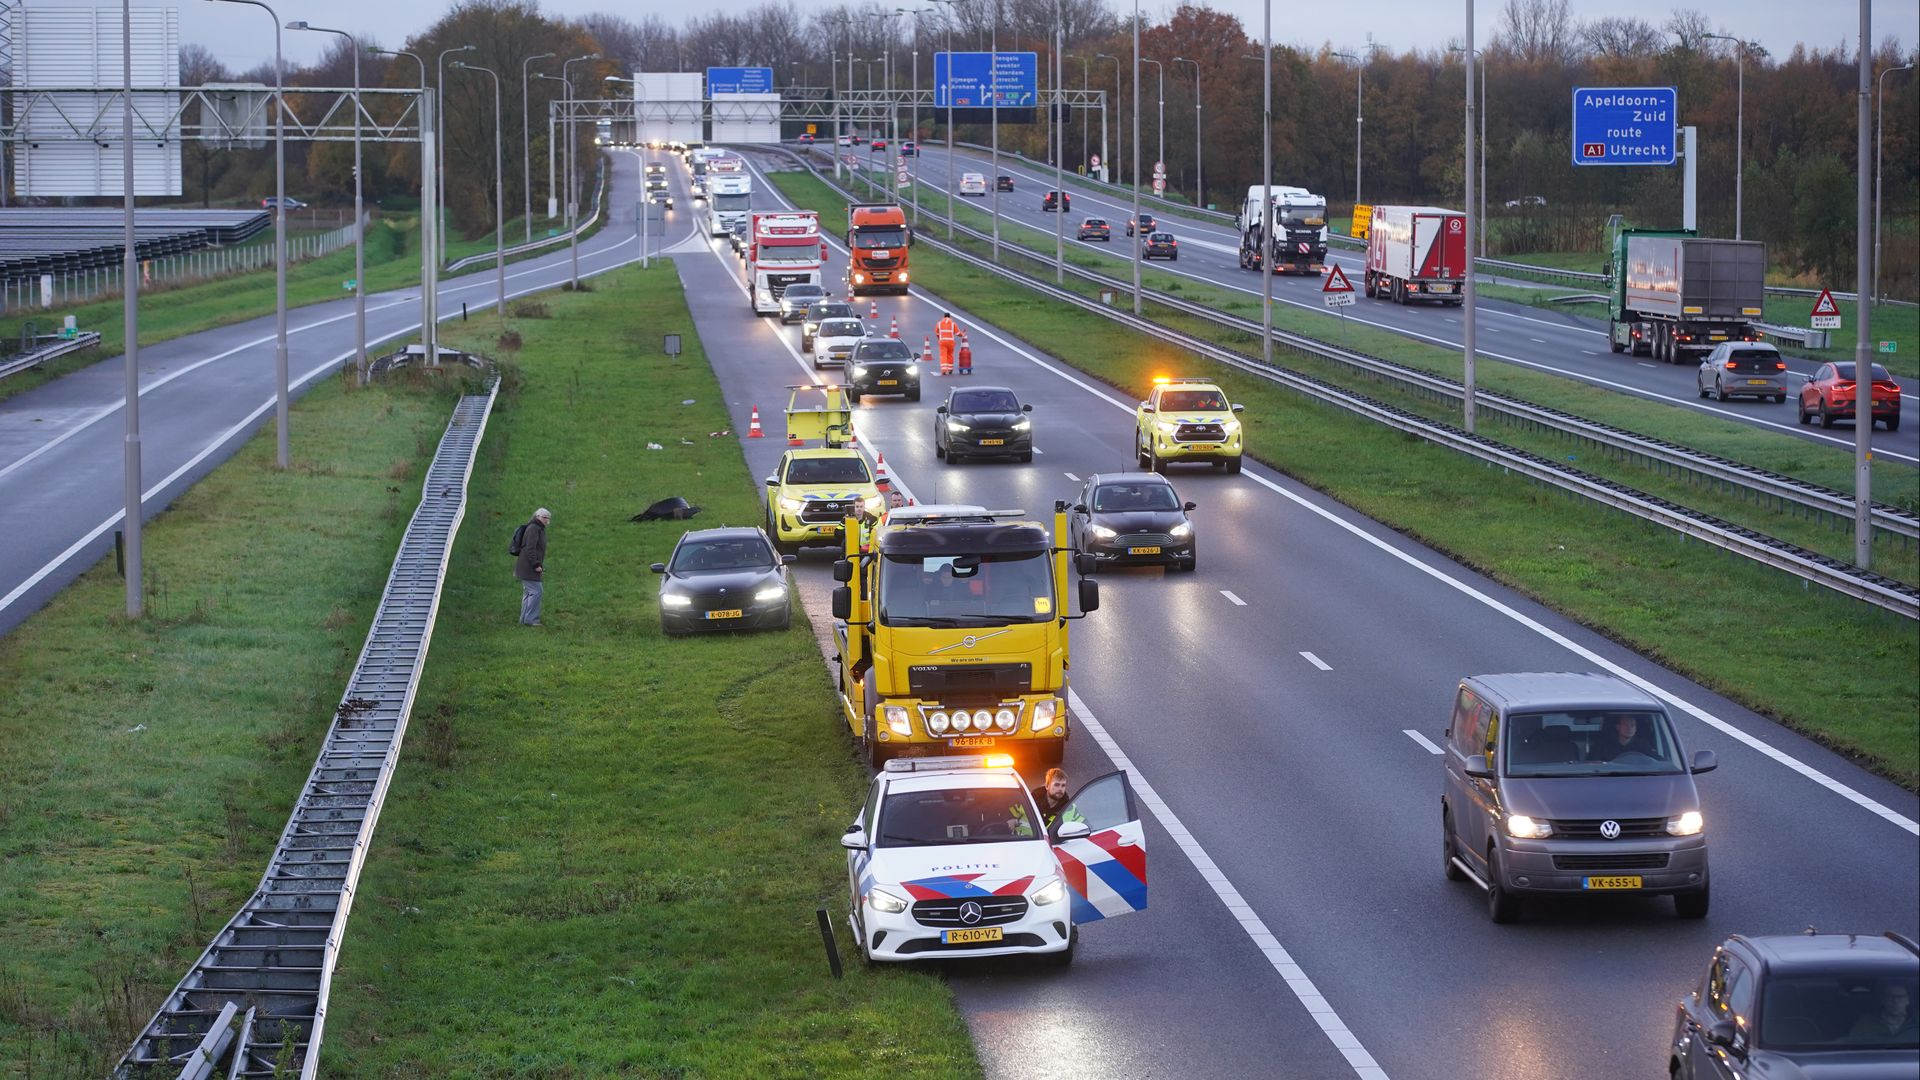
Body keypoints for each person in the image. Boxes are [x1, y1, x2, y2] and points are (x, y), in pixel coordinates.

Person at [1848, 979, 1917, 1043]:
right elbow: (1849, 1043)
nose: (1895, 1001)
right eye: (1890, 996)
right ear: (1883, 999)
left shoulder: (1916, 1021)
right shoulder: (1865, 1023)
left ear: (1908, 1000)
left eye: (1900, 997)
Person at [514, 508, 550, 626]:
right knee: (536, 591)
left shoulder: (536, 528)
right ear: (538, 516)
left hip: (526, 566)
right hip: (528, 566)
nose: (547, 521)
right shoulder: (534, 528)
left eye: (548, 519)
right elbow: (530, 548)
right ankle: (531, 619)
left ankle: (524, 619)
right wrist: (536, 564)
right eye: (545, 518)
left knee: (529, 592)